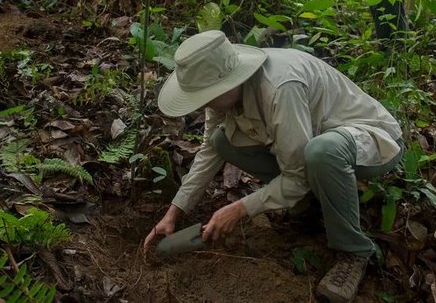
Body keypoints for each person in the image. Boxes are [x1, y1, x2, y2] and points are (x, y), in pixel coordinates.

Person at [142, 30, 404, 303]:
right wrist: (174, 211)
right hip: (312, 144)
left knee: (321, 153)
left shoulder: (281, 87)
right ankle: (312, 201)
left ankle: (353, 252)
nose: (203, 104)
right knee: (222, 140)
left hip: (369, 139)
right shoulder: (221, 94)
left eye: (205, 95)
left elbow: (299, 173)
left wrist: (240, 209)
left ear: (227, 83)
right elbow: (209, 149)